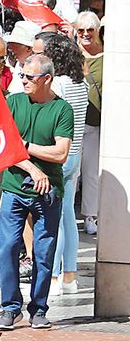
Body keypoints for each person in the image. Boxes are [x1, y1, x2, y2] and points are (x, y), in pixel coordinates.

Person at [0, 53, 73, 331]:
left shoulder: (62, 110)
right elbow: (4, 146)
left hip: (48, 192)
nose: (24, 81)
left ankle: (38, 308)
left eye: (30, 77)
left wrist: (24, 146)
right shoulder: (13, 102)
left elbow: (61, 152)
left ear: (47, 79)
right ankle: (10, 308)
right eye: (22, 76)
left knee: (43, 251)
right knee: (6, 248)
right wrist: (34, 169)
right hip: (14, 188)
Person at [38, 33, 90, 296]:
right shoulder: (81, 84)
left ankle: (56, 277)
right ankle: (70, 275)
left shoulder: (58, 84)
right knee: (68, 216)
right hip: (76, 154)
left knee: (54, 219)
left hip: (58, 153)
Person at [76, 12, 103, 236]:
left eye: (90, 30)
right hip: (72, 124)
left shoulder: (106, 57)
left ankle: (90, 216)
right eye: (81, 30)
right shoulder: (71, 54)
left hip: (94, 124)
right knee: (72, 173)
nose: (85, 34)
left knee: (91, 173)